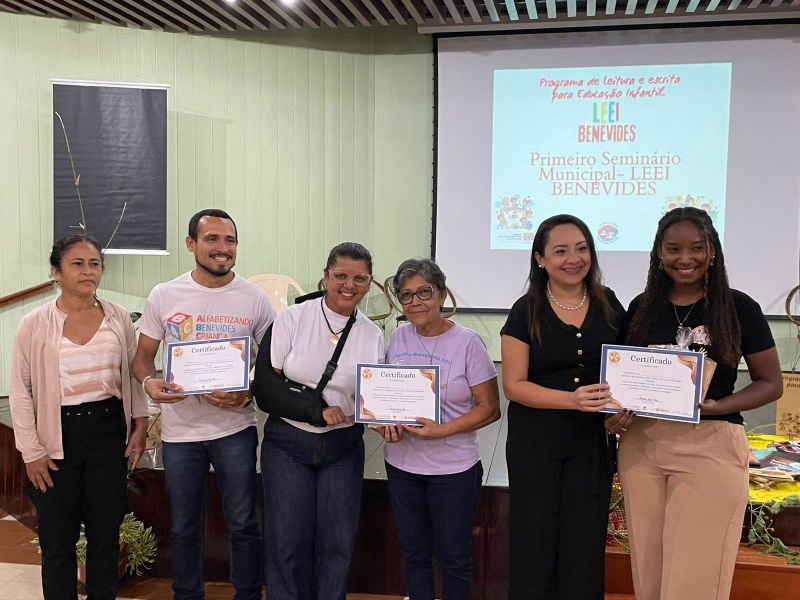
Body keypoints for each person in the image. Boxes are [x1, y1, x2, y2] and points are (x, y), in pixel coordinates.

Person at [606, 207, 782, 600]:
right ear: (658, 254)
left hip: (711, 443)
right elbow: (624, 378)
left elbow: (770, 383)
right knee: (648, 574)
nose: (685, 258)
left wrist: (716, 406)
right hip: (642, 448)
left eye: (697, 248)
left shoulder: (739, 307)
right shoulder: (641, 307)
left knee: (694, 577)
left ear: (713, 251)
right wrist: (616, 415)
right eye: (673, 249)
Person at [132, 209, 275, 600]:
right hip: (180, 433)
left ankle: (247, 594)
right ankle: (186, 594)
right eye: (212, 239)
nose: (222, 248)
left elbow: (275, 359)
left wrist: (247, 390)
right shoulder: (165, 294)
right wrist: (150, 381)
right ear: (191, 244)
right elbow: (141, 357)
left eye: (230, 240)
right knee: (184, 527)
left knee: (244, 523)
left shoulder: (254, 298)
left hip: (235, 430)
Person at [9, 235, 148, 600]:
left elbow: (132, 375)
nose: (89, 271)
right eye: (77, 263)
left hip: (108, 433)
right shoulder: (34, 323)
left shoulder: (118, 317)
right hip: (57, 438)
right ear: (56, 272)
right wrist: (31, 450)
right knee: (58, 540)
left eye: (95, 264)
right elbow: (21, 392)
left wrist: (140, 424)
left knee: (105, 536)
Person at [500, 214, 625, 600]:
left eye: (582, 248)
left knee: (584, 542)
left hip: (592, 444)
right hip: (535, 445)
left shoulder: (610, 303)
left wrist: (622, 411)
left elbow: (628, 369)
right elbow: (514, 386)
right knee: (533, 541)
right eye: (560, 251)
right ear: (540, 259)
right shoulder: (526, 310)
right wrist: (571, 400)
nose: (574, 258)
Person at [253, 242, 384, 600]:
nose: (349, 285)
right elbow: (266, 389)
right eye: (340, 276)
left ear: (369, 283)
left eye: (360, 278)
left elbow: (373, 398)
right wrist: (315, 411)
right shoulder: (293, 319)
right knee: (286, 541)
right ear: (325, 277)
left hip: (342, 448)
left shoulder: (372, 335)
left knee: (338, 543)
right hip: (288, 445)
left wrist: (390, 419)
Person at [377, 258, 500, 600]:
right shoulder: (397, 338)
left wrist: (442, 431)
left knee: (454, 558)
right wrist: (382, 426)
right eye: (406, 296)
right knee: (415, 555)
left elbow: (490, 409)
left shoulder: (468, 342)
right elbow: (382, 398)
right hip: (403, 467)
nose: (415, 302)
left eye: (424, 292)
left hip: (454, 471)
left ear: (442, 294)